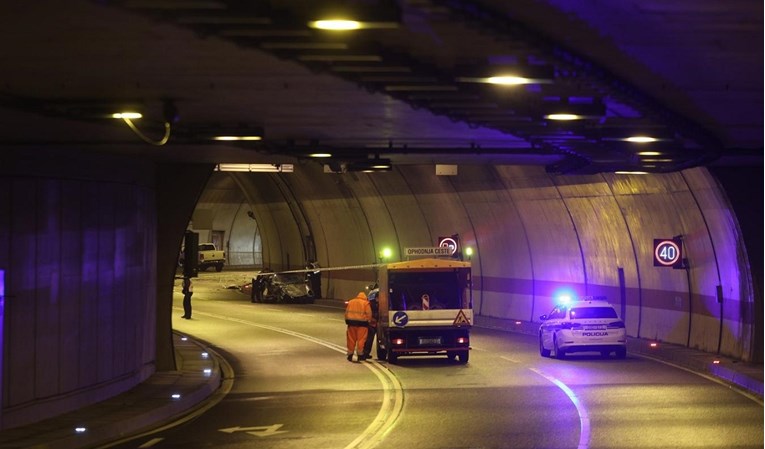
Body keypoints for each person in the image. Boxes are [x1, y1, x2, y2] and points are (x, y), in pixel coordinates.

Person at [344, 291, 372, 362]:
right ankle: (360, 354)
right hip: (362, 324)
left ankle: (350, 354)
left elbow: (346, 312)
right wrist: (369, 321)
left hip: (351, 323)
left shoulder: (351, 302)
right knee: (361, 339)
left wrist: (347, 320)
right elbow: (369, 314)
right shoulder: (366, 303)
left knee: (351, 339)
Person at [362, 288, 379, 360]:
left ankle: (366, 353)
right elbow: (369, 313)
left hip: (376, 323)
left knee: (370, 339)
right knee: (369, 339)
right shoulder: (371, 303)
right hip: (371, 324)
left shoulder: (381, 303)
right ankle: (365, 353)